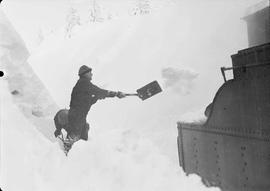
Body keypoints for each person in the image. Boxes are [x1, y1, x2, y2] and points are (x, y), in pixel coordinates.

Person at [62, 65, 126, 152]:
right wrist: (116, 94)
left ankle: (80, 157)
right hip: (76, 117)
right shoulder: (84, 83)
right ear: (85, 74)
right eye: (89, 72)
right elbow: (99, 91)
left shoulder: (82, 85)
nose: (91, 74)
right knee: (73, 139)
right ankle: (65, 156)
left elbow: (83, 102)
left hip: (79, 116)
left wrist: (95, 98)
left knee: (83, 135)